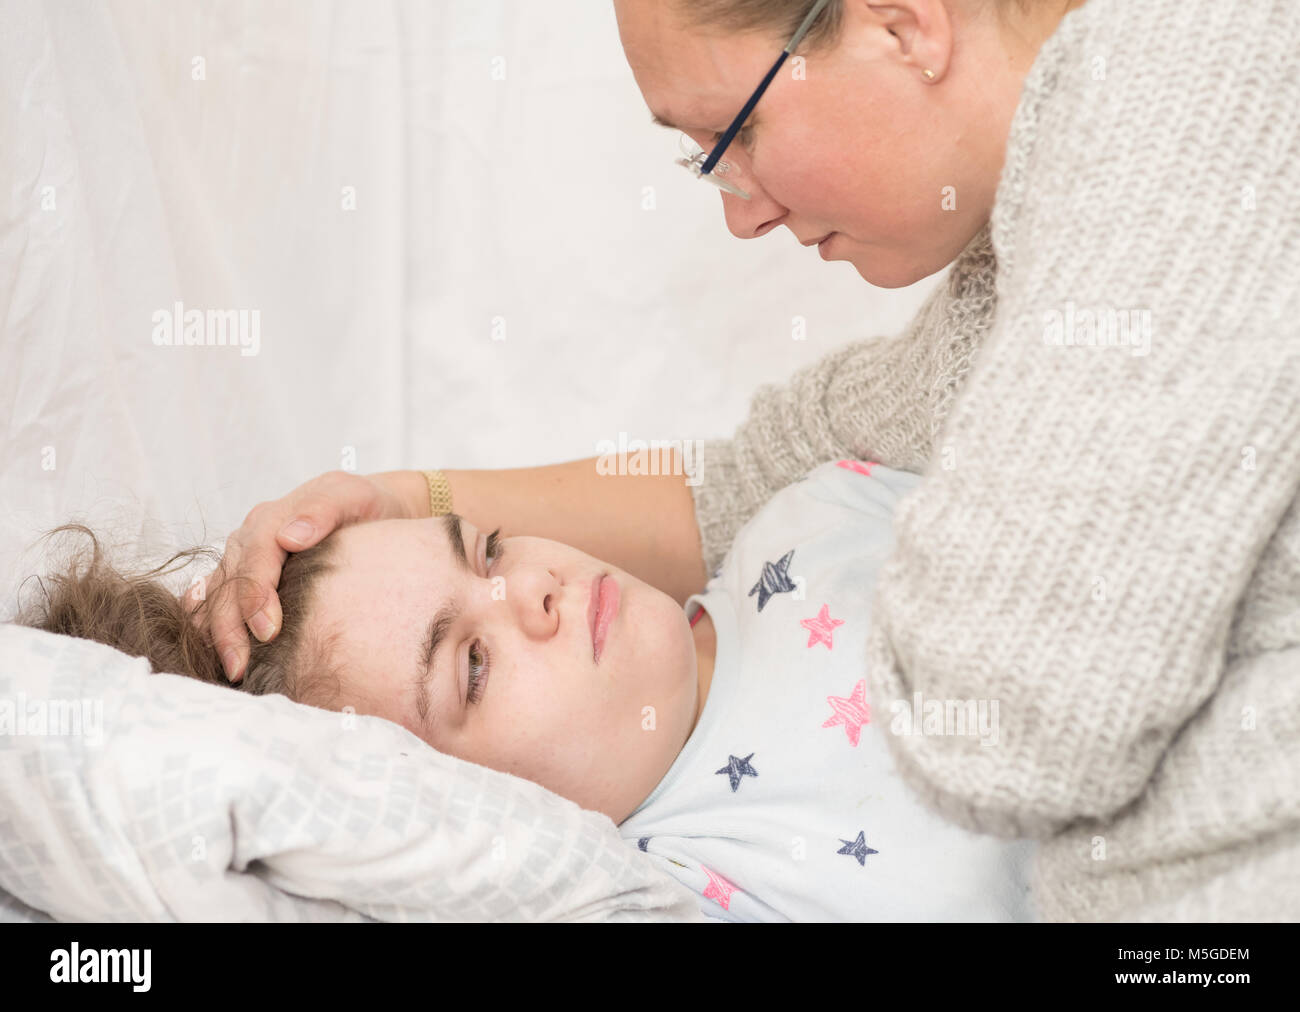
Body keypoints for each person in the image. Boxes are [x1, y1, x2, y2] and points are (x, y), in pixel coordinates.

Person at [191, 0, 1300, 920]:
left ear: (902, 26)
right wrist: (401, 498)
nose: (742, 216)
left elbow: (1014, 724)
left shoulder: (1179, 115)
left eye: (732, 142)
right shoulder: (1023, 253)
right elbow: (751, 480)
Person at [15, 459, 1033, 921]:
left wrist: (407, 495)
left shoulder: (805, 505)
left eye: (489, 550)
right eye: (473, 664)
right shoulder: (699, 884)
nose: (534, 590)